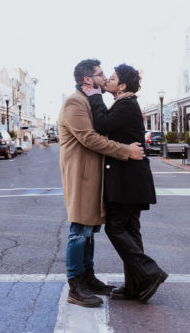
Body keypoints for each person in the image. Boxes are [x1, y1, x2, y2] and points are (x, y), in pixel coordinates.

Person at [58, 59, 145, 308]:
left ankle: (89, 278)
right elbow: (90, 138)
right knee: (79, 231)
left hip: (94, 175)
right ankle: (76, 285)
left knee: (91, 230)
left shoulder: (87, 100)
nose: (104, 77)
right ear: (87, 80)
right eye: (100, 74)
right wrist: (125, 150)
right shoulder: (75, 102)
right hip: (81, 175)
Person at [87, 64, 168, 303]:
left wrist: (94, 96)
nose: (108, 80)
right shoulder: (126, 104)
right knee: (131, 231)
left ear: (121, 86)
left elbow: (102, 125)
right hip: (132, 180)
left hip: (128, 181)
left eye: (112, 78)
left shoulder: (126, 105)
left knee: (115, 227)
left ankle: (150, 273)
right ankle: (135, 285)